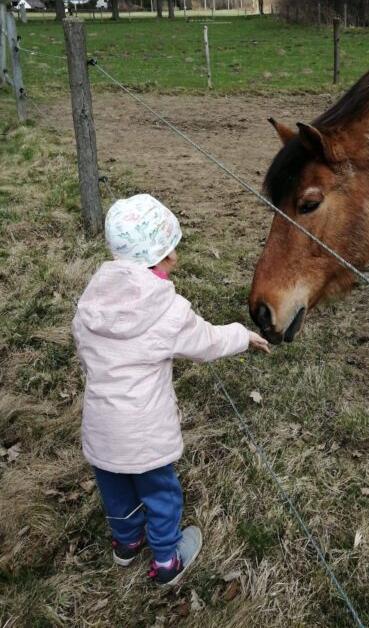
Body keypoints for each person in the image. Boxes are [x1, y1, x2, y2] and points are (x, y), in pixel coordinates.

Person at [72, 194, 269, 586]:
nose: (175, 257)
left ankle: (125, 544)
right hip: (146, 434)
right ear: (165, 257)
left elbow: (84, 350)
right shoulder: (167, 310)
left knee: (116, 493)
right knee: (161, 494)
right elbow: (207, 341)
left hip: (101, 430)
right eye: (171, 249)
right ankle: (166, 560)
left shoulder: (89, 305)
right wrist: (241, 335)